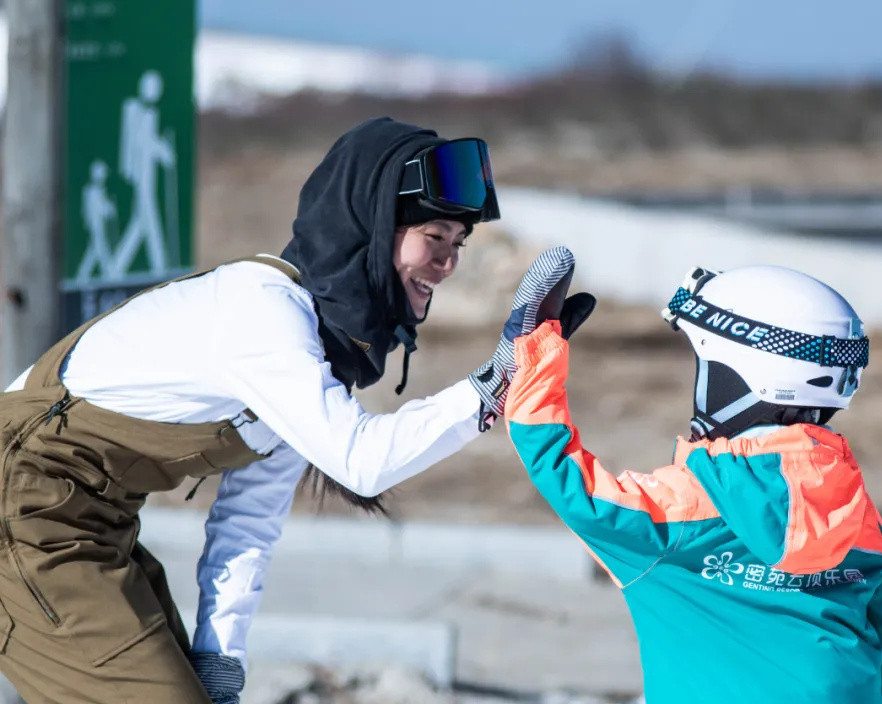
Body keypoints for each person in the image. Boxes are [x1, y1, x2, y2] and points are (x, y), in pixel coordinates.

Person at [0, 117, 580, 704]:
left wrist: (219, 655)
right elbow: (361, 462)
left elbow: (248, 520)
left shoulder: (307, 354)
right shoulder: (265, 315)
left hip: (87, 524)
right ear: (374, 227)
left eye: (458, 245)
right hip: (25, 512)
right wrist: (494, 380)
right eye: (434, 237)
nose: (449, 263)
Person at [503, 265, 882, 704]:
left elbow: (565, 477)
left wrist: (534, 352)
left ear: (738, 376)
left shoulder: (681, 512)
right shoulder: (848, 508)